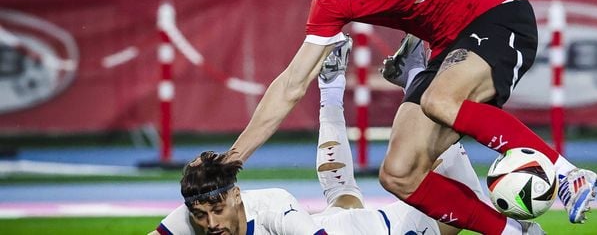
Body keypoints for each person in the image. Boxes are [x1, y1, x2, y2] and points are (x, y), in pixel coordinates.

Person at [227, 0, 597, 234]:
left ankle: (569, 177)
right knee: (398, 173)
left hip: (498, 17)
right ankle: (513, 232)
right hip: (446, 52)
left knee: (439, 99)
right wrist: (232, 160)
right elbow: (293, 82)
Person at [151, 38, 545, 235]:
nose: (209, 223)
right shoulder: (199, 211)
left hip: (391, 230)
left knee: (455, 197)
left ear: (235, 195)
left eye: (214, 211)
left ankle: (416, 78)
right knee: (340, 195)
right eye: (200, 217)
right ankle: (335, 81)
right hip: (344, 223)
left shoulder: (272, 207)